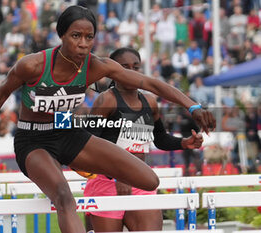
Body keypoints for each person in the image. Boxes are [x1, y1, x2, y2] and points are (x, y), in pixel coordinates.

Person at [0, 6, 215, 233]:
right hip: (33, 139)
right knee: (63, 197)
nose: (83, 44)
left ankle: (96, 176)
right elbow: (0, 93)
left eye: (89, 37)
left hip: (68, 134)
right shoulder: (32, 65)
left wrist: (193, 107)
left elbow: (148, 82)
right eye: (75, 36)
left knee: (149, 181)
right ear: (61, 35)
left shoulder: (96, 66)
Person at [83, 47, 204, 232]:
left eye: (135, 66)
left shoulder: (150, 102)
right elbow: (90, 145)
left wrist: (183, 142)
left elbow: (160, 138)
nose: (131, 71)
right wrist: (118, 176)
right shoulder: (106, 100)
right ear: (113, 71)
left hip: (140, 179)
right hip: (107, 183)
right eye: (124, 67)